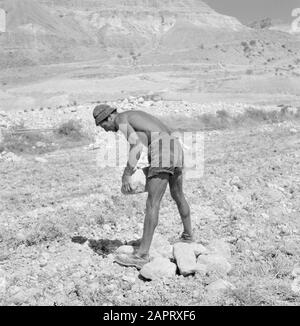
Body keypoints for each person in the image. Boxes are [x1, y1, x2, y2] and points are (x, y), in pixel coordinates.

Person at [93, 104, 194, 269]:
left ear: (109, 117)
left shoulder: (121, 119)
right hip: (175, 147)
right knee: (177, 194)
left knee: (152, 203)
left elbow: (136, 146)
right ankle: (188, 236)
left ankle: (142, 255)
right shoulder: (135, 115)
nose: (105, 130)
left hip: (162, 149)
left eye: (103, 125)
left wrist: (127, 174)